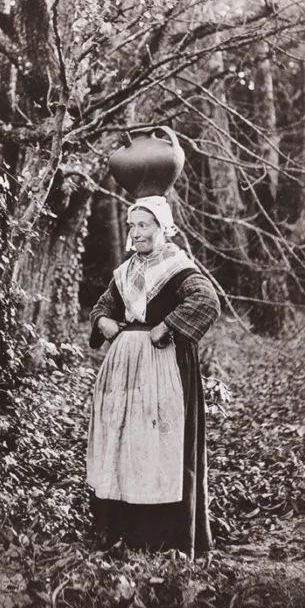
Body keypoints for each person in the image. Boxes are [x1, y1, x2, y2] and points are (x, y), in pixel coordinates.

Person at [87, 195, 220, 558]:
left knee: (158, 443)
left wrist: (168, 325)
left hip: (164, 369)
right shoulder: (126, 271)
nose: (136, 232)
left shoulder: (177, 268)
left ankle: (164, 540)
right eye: (132, 225)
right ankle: (120, 532)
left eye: (144, 225)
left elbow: (207, 302)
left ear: (163, 228)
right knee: (123, 442)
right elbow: (102, 305)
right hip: (124, 372)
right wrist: (103, 321)